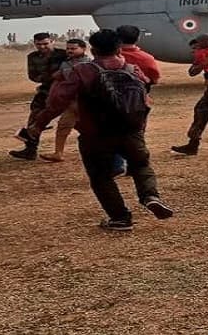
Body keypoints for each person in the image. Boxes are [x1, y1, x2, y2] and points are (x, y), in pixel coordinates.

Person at [26, 29, 173, 231]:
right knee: (141, 166)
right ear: (118, 48)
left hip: (95, 134)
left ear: (93, 50)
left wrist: (38, 125)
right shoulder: (133, 70)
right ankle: (150, 196)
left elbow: (57, 102)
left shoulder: (83, 71)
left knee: (101, 176)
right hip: (131, 131)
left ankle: (120, 218)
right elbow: (145, 101)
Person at [11, 33, 68, 160]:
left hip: (65, 90)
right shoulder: (33, 57)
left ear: (52, 41)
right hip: (46, 91)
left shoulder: (63, 54)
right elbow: (32, 76)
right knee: (35, 119)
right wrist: (50, 77)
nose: (42, 47)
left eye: (45, 44)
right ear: (34, 44)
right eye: (39, 44)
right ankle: (30, 150)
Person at [38, 38, 91, 163]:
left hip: (87, 102)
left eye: (73, 49)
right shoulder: (65, 64)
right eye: (68, 49)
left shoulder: (89, 64)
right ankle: (58, 153)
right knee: (63, 126)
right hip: (71, 102)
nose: (70, 51)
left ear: (83, 49)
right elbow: (59, 77)